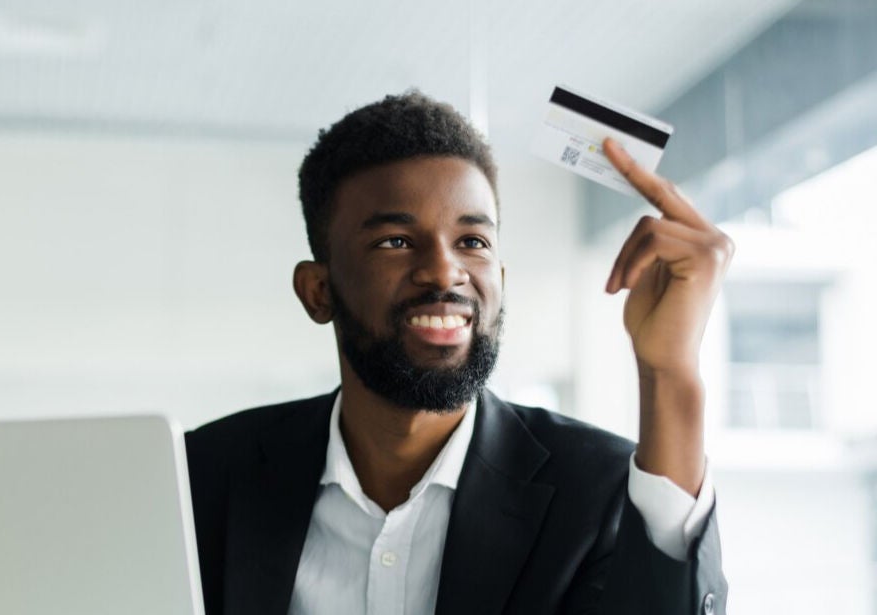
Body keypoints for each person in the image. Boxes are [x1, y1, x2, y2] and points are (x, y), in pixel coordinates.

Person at [185, 91, 732, 615]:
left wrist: (669, 372)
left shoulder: (598, 494)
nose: (446, 272)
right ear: (318, 291)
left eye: (472, 241)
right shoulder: (200, 479)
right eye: (395, 242)